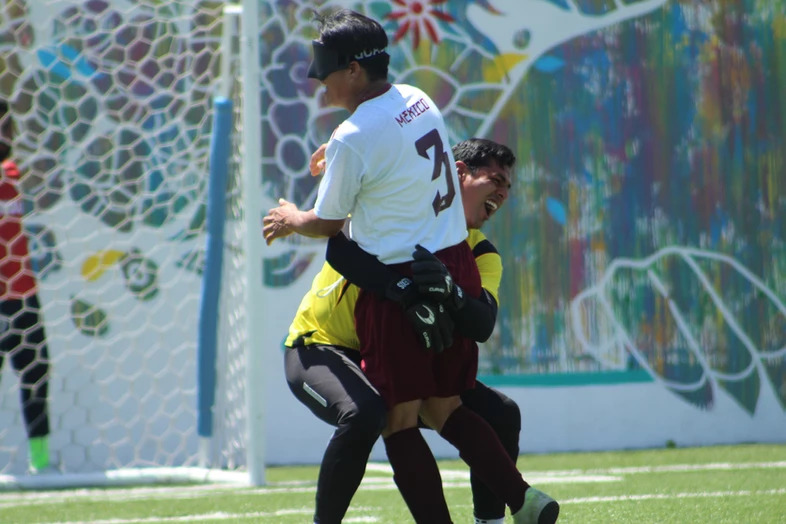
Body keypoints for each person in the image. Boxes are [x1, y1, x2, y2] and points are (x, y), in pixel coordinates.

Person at [263, 10, 558, 523]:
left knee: (407, 419)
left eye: (324, 69)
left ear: (353, 70)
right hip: (377, 308)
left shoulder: (362, 147)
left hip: (402, 294)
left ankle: (498, 513)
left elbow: (332, 231)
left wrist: (293, 215)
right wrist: (339, 159)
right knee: (408, 411)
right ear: (456, 169)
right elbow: (380, 181)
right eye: (494, 185)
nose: (318, 82)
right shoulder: (418, 101)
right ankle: (523, 501)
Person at [285, 138, 523, 524]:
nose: (504, 192)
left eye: (508, 186)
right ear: (457, 174)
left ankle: (489, 522)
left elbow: (482, 324)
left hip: (395, 364)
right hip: (322, 349)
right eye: (496, 179)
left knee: (502, 414)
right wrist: (348, 149)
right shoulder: (396, 214)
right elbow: (340, 247)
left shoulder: (479, 251)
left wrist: (453, 292)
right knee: (366, 413)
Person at [0, 98, 52, 474]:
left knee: (37, 372)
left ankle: (41, 463)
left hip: (23, 296)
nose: (7, 135)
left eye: (9, 128)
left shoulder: (12, 174)